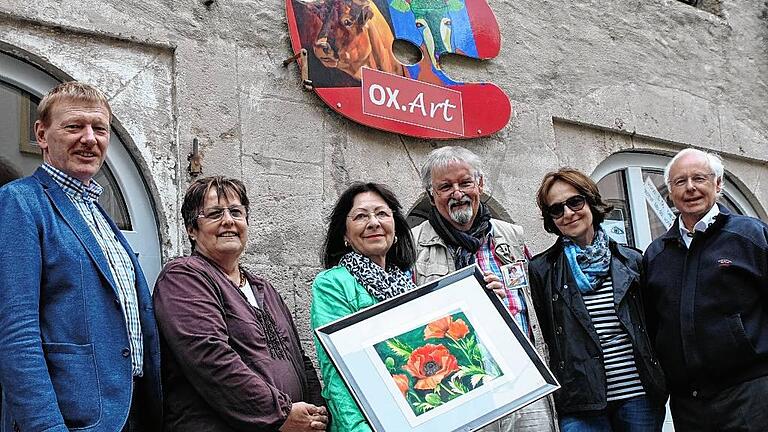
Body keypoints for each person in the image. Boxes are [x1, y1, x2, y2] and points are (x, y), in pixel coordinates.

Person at [0, 81, 162, 432]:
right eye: (74, 126)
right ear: (42, 134)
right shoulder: (20, 202)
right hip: (71, 420)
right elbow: (16, 333)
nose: (90, 138)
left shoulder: (98, 212)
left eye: (99, 128)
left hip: (128, 412)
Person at [153, 176, 328, 431]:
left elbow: (299, 359)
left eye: (236, 212)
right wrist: (281, 413)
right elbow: (210, 358)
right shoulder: (184, 277)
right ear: (192, 229)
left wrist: (316, 413)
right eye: (214, 214)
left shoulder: (264, 288)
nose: (228, 221)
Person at [410, 146, 558, 431]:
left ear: (480, 184)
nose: (457, 193)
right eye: (445, 187)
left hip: (524, 374)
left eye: (465, 182)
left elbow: (532, 302)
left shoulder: (512, 236)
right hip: (457, 385)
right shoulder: (413, 245)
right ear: (431, 195)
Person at [529, 168, 667, 431]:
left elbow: (650, 326)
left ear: (590, 201)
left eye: (575, 202)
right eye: (557, 209)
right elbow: (546, 333)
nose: (568, 213)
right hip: (580, 402)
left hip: (638, 396)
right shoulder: (542, 270)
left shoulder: (632, 260)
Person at [643, 148, 768, 431]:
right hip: (689, 405)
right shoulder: (656, 254)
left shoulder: (750, 236)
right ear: (671, 193)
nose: (690, 188)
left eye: (699, 178)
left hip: (750, 394)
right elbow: (653, 324)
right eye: (680, 181)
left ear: (718, 184)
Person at [311, 182, 417, 432]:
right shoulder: (333, 284)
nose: (373, 223)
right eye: (360, 216)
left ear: (396, 227)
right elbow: (337, 372)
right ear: (345, 235)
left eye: (381, 213)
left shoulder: (408, 285)